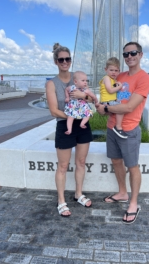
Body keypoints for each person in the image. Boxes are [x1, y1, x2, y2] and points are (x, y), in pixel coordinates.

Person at [96, 42, 149, 224]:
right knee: (116, 161)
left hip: (128, 130)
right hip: (112, 127)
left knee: (132, 166)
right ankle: (122, 193)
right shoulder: (118, 75)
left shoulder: (144, 79)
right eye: (126, 54)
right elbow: (107, 96)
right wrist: (100, 106)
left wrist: (105, 107)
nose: (129, 57)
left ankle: (134, 203)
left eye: (133, 53)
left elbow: (129, 106)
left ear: (140, 54)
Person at [46, 43, 93, 217]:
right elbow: (53, 110)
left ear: (70, 61)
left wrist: (84, 96)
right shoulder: (52, 83)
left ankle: (78, 194)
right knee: (63, 165)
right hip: (65, 124)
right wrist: (73, 116)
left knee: (81, 162)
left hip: (82, 125)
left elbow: (91, 98)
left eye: (67, 59)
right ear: (56, 62)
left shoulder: (79, 77)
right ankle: (61, 200)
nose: (64, 62)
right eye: (61, 60)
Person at [99, 57, 127, 138]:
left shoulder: (112, 80)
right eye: (111, 70)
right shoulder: (107, 78)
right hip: (107, 101)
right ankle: (118, 127)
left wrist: (116, 84)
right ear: (106, 69)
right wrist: (120, 86)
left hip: (109, 101)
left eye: (116, 70)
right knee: (121, 109)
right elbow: (110, 90)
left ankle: (116, 125)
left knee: (118, 105)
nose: (114, 73)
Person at [64, 70, 98, 135]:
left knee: (88, 114)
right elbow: (66, 89)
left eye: (86, 81)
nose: (85, 82)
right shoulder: (71, 87)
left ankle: (82, 123)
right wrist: (67, 97)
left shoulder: (86, 90)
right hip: (73, 106)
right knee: (70, 117)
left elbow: (93, 97)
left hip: (83, 106)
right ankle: (69, 129)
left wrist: (96, 102)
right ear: (75, 81)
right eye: (83, 81)